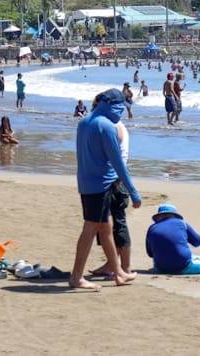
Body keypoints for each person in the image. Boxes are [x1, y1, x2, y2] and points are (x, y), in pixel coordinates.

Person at [70, 88, 141, 290]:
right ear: (110, 105)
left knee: (107, 227)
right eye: (120, 108)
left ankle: (118, 273)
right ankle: (76, 277)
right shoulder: (106, 126)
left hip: (86, 182)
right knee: (90, 229)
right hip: (99, 186)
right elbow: (118, 163)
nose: (121, 112)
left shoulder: (84, 122)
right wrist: (133, 193)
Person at [89, 92, 135, 279]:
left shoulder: (113, 126)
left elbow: (111, 156)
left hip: (114, 180)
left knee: (117, 222)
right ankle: (111, 264)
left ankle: (125, 266)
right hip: (108, 179)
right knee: (105, 224)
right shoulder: (108, 124)